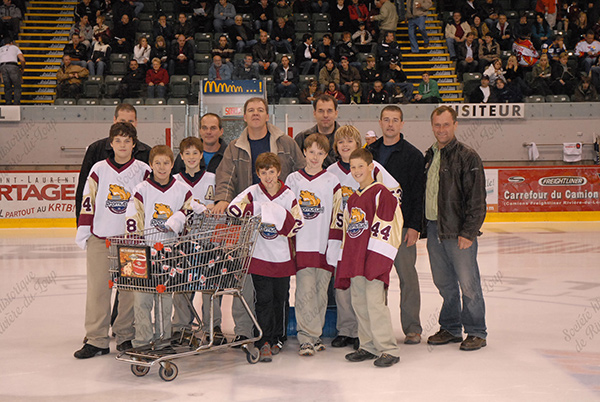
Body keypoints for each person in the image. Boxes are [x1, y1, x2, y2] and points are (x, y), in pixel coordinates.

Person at [212, 98, 305, 347]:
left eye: (260, 110)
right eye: (250, 110)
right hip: (248, 225)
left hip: (277, 230)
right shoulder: (235, 146)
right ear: (244, 116)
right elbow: (225, 177)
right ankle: (245, 331)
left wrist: (288, 204)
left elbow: (301, 173)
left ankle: (276, 335)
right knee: (248, 284)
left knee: (277, 291)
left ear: (267, 115)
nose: (255, 114)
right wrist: (224, 199)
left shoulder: (285, 143)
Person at [73, 122, 151, 359]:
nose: (123, 145)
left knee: (128, 291)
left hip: (132, 241)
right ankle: (97, 339)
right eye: (118, 141)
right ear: (111, 143)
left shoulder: (144, 170)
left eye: (127, 141)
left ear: (134, 144)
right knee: (98, 289)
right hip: (101, 239)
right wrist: (85, 230)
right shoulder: (98, 169)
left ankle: (125, 335)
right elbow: (88, 200)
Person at [326, 125, 401, 351]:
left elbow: (390, 225)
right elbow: (349, 229)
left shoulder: (381, 192)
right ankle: (367, 345)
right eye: (353, 167)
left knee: (375, 303)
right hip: (354, 257)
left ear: (370, 167)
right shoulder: (354, 197)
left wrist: (379, 258)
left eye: (361, 166)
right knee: (358, 301)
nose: (356, 170)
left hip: (373, 258)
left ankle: (387, 348)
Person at [227, 152, 304, 362]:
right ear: (258, 174)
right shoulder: (253, 192)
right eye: (263, 172)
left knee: (280, 299)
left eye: (271, 171)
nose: (268, 176)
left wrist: (279, 217)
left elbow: (297, 223)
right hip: (258, 256)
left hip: (282, 258)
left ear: (279, 172)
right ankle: (264, 341)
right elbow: (233, 209)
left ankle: (278, 337)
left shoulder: (288, 195)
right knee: (263, 299)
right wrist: (259, 209)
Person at [424, 105, 487, 352]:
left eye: (446, 124)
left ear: (455, 125)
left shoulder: (468, 156)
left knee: (468, 284)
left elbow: (477, 200)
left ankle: (476, 331)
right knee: (444, 283)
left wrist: (468, 232)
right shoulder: (429, 155)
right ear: (432, 126)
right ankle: (450, 327)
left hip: (458, 231)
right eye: (437, 125)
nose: (441, 129)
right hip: (433, 228)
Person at [125, 145, 196, 349]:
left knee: (165, 300)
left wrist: (181, 221)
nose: (162, 167)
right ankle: (143, 340)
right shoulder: (141, 190)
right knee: (142, 300)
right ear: (151, 165)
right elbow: (133, 219)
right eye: (158, 163)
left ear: (173, 164)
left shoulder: (182, 190)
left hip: (169, 253)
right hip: (143, 253)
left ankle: (163, 339)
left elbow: (190, 216)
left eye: (166, 163)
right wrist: (137, 246)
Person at [367, 105, 424, 345]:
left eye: (395, 120)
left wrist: (414, 226)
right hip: (374, 229)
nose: (390, 124)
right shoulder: (369, 152)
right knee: (376, 279)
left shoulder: (413, 155)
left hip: (401, 228)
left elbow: (417, 194)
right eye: (386, 120)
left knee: (407, 277)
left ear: (402, 124)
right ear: (380, 122)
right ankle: (377, 328)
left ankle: (412, 327)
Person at [285, 134, 342, 356]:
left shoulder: (332, 181)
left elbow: (337, 214)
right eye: (311, 152)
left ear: (326, 155)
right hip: (303, 245)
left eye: (320, 153)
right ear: (304, 153)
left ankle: (315, 334)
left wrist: (334, 243)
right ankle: (305, 337)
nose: (315, 157)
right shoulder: (293, 180)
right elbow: (287, 212)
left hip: (324, 244)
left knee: (320, 292)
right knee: (304, 292)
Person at [171, 137, 218, 341]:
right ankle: (181, 326)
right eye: (187, 153)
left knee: (210, 286)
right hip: (182, 243)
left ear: (201, 155)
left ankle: (213, 327)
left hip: (208, 241)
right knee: (182, 285)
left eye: (195, 153)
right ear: (181, 156)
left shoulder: (212, 178)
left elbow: (219, 206)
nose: (191, 157)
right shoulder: (174, 181)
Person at [75, 104, 151, 220]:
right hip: (103, 222)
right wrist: (80, 222)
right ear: (114, 120)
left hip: (136, 224)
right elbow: (84, 189)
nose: (126, 124)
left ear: (136, 122)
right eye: (122, 120)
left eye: (130, 121)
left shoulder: (147, 152)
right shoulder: (96, 149)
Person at [295, 94, 341, 168]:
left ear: (336, 113)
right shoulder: (302, 138)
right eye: (321, 111)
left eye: (329, 111)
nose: (325, 115)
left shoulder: (347, 139)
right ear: (314, 113)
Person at [0, 36, 25, 105]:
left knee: (7, 87)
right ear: (11, 43)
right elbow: (22, 60)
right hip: (13, 66)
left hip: (3, 67)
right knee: (17, 86)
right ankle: (16, 104)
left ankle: (8, 104)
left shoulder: (0, 49)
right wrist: (22, 68)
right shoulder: (15, 47)